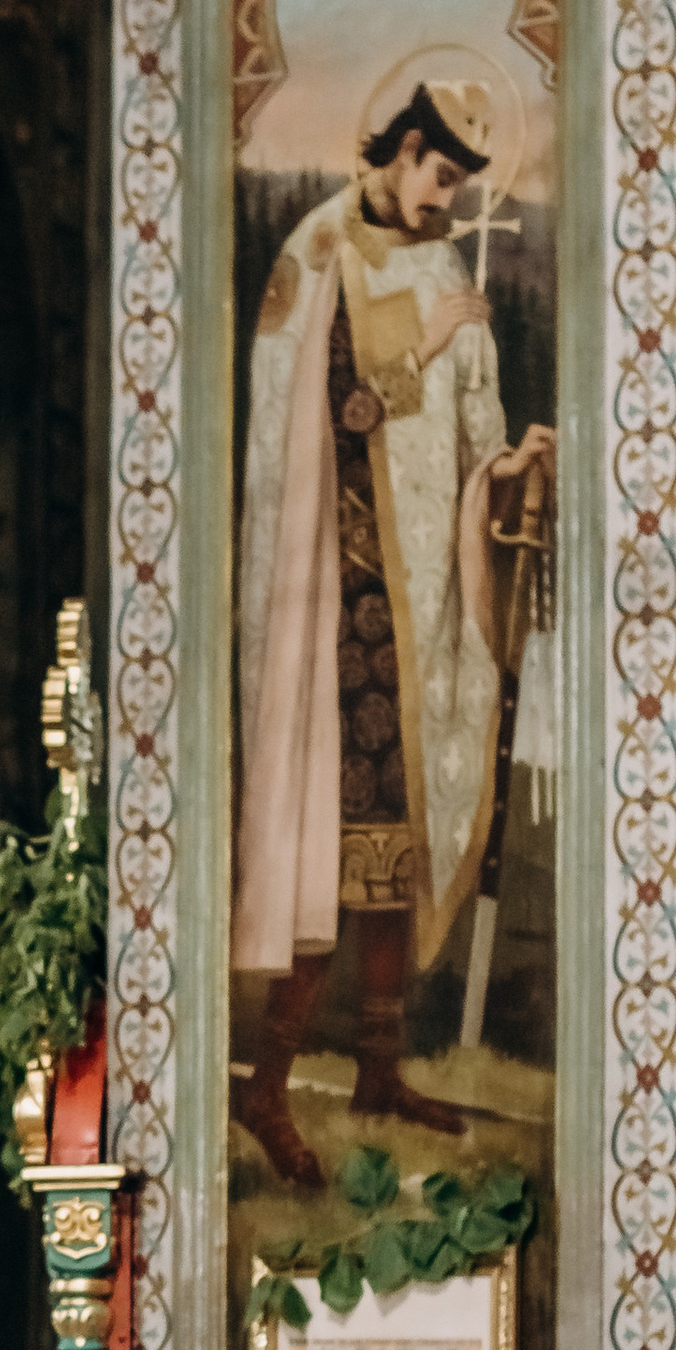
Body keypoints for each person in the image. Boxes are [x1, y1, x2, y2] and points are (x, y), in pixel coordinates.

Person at [234, 79, 558, 1186]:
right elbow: (327, 420)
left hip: (412, 603)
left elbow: (470, 427)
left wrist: (507, 468)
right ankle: (266, 1088)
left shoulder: (440, 267)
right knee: (330, 850)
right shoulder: (316, 252)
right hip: (333, 598)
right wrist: (416, 349)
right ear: (402, 149)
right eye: (438, 178)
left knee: (396, 845)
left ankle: (379, 1065)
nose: (444, 204)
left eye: (459, 187)